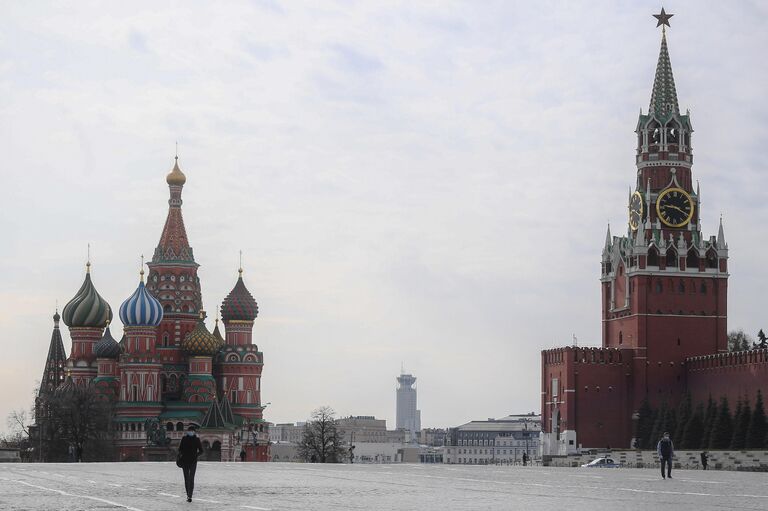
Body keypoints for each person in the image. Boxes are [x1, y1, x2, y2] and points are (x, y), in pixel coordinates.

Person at [178, 425, 204, 502]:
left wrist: (196, 455)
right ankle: (188, 495)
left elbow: (201, 450)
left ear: (194, 432)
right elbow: (180, 449)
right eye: (189, 431)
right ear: (187, 431)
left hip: (193, 461)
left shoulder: (197, 439)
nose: (191, 432)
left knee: (191, 479)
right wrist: (181, 454)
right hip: (184, 461)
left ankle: (190, 496)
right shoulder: (184, 439)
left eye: (192, 431)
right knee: (186, 479)